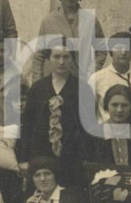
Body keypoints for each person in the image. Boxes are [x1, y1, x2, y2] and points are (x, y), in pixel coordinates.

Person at [17, 46, 88, 188]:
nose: (61, 62)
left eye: (66, 57)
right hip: (41, 154)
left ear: (72, 59)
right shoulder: (38, 88)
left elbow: (87, 129)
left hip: (72, 157)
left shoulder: (82, 89)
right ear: (48, 59)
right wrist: (24, 158)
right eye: (56, 57)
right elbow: (27, 125)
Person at [31, 0, 106, 81]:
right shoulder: (48, 21)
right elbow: (39, 56)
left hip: (81, 80)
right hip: (54, 81)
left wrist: (91, 72)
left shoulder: (90, 20)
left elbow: (102, 50)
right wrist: (37, 84)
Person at [88, 32, 131, 132]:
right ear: (111, 52)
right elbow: (90, 115)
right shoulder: (97, 78)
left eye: (127, 48)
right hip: (107, 136)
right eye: (118, 48)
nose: (123, 52)